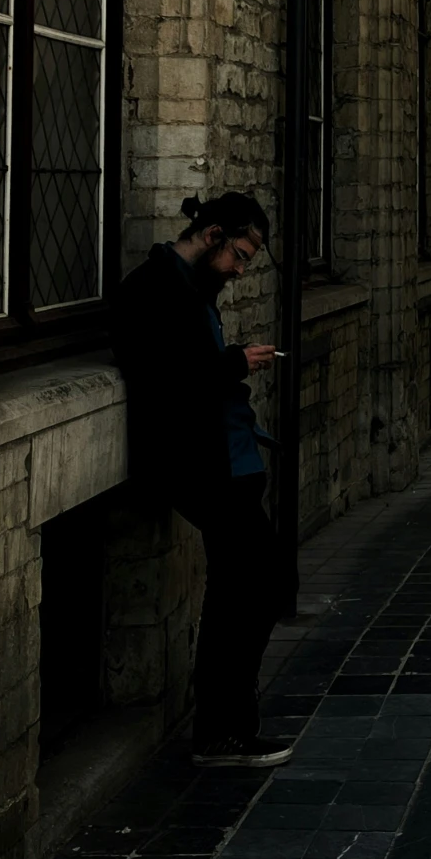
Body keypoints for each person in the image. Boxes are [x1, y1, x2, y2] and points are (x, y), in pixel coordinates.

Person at [112, 191, 292, 768]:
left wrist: (232, 362)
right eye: (238, 255)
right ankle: (222, 731)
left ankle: (226, 725)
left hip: (227, 462)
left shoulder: (192, 289)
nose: (240, 271)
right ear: (212, 235)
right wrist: (237, 363)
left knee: (252, 587)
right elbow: (168, 382)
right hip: (197, 466)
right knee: (253, 587)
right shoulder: (153, 288)